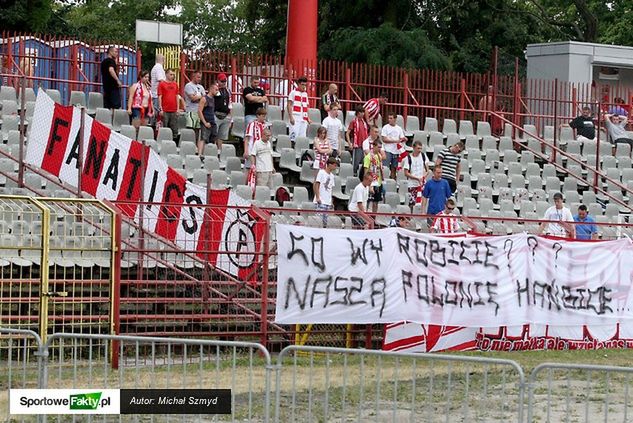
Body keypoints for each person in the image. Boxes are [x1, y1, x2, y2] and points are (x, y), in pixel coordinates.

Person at [158, 69, 184, 140]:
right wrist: (161, 109)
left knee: (174, 128)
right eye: (171, 74)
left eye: (173, 74)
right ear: (166, 74)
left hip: (173, 110)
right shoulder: (162, 84)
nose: (172, 76)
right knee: (165, 128)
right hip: (165, 109)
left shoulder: (175, 84)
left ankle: (173, 143)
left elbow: (177, 96)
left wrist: (178, 109)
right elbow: (160, 97)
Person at [403, 140, 429, 211]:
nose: (419, 150)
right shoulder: (408, 158)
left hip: (422, 183)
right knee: (412, 202)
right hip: (412, 184)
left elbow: (427, 170)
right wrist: (417, 178)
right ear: (413, 148)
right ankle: (411, 216)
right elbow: (406, 173)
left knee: (423, 201)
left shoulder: (423, 156)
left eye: (420, 148)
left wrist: (423, 177)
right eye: (418, 148)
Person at [381, 112, 407, 180]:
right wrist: (395, 141)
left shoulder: (399, 128)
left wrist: (404, 139)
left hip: (396, 151)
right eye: (389, 118)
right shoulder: (385, 127)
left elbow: (401, 138)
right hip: (387, 150)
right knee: (385, 168)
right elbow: (384, 139)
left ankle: (393, 181)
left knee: (394, 169)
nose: (389, 119)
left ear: (395, 119)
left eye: (391, 118)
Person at [313, 157, 338, 226]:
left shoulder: (332, 176)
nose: (335, 167)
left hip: (327, 202)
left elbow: (331, 189)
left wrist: (331, 201)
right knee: (318, 221)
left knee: (325, 223)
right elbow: (316, 184)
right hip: (321, 201)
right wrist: (318, 197)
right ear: (330, 164)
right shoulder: (321, 172)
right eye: (334, 165)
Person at [346, 105, 369, 175]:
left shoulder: (364, 122)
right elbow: (347, 133)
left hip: (364, 146)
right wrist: (350, 143)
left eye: (363, 112)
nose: (362, 114)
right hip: (357, 145)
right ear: (358, 113)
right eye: (361, 112)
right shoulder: (353, 122)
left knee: (364, 163)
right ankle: (354, 175)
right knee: (356, 163)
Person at [287, 76, 311, 141]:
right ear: (298, 84)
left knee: (302, 137)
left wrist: (308, 118)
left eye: (305, 85)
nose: (304, 86)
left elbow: (306, 106)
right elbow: (289, 104)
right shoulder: (293, 92)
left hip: (304, 118)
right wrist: (291, 117)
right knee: (294, 135)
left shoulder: (305, 94)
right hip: (295, 116)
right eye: (302, 84)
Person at [184, 71, 206, 142]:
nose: (199, 79)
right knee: (191, 130)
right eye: (198, 77)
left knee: (197, 130)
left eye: (200, 77)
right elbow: (192, 98)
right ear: (193, 76)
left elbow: (204, 99)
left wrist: (197, 96)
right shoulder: (188, 86)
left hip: (199, 112)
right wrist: (200, 96)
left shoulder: (201, 87)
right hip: (191, 111)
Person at [364, 139, 385, 213]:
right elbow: (366, 172)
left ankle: (374, 219)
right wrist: (369, 185)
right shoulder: (368, 157)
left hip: (378, 182)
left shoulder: (379, 156)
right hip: (371, 182)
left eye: (380, 147)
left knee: (376, 203)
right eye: (378, 147)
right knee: (368, 202)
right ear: (374, 146)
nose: (379, 149)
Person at [197, 83, 219, 156]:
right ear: (211, 89)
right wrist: (205, 122)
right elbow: (199, 111)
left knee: (213, 138)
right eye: (216, 89)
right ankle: (200, 154)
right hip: (205, 121)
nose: (217, 91)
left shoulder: (213, 99)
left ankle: (211, 154)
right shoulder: (204, 98)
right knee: (203, 138)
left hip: (212, 121)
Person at [214, 73, 232, 151]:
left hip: (225, 114)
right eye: (222, 81)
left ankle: (220, 150)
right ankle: (213, 150)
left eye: (225, 81)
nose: (224, 83)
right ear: (218, 81)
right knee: (214, 134)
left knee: (221, 136)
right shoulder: (215, 89)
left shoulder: (228, 90)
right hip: (216, 113)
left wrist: (231, 118)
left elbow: (230, 104)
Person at [149, 54, 166, 125]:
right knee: (156, 113)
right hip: (157, 94)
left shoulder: (155, 67)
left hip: (154, 93)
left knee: (155, 112)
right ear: (163, 60)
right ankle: (153, 128)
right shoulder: (159, 67)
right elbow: (161, 80)